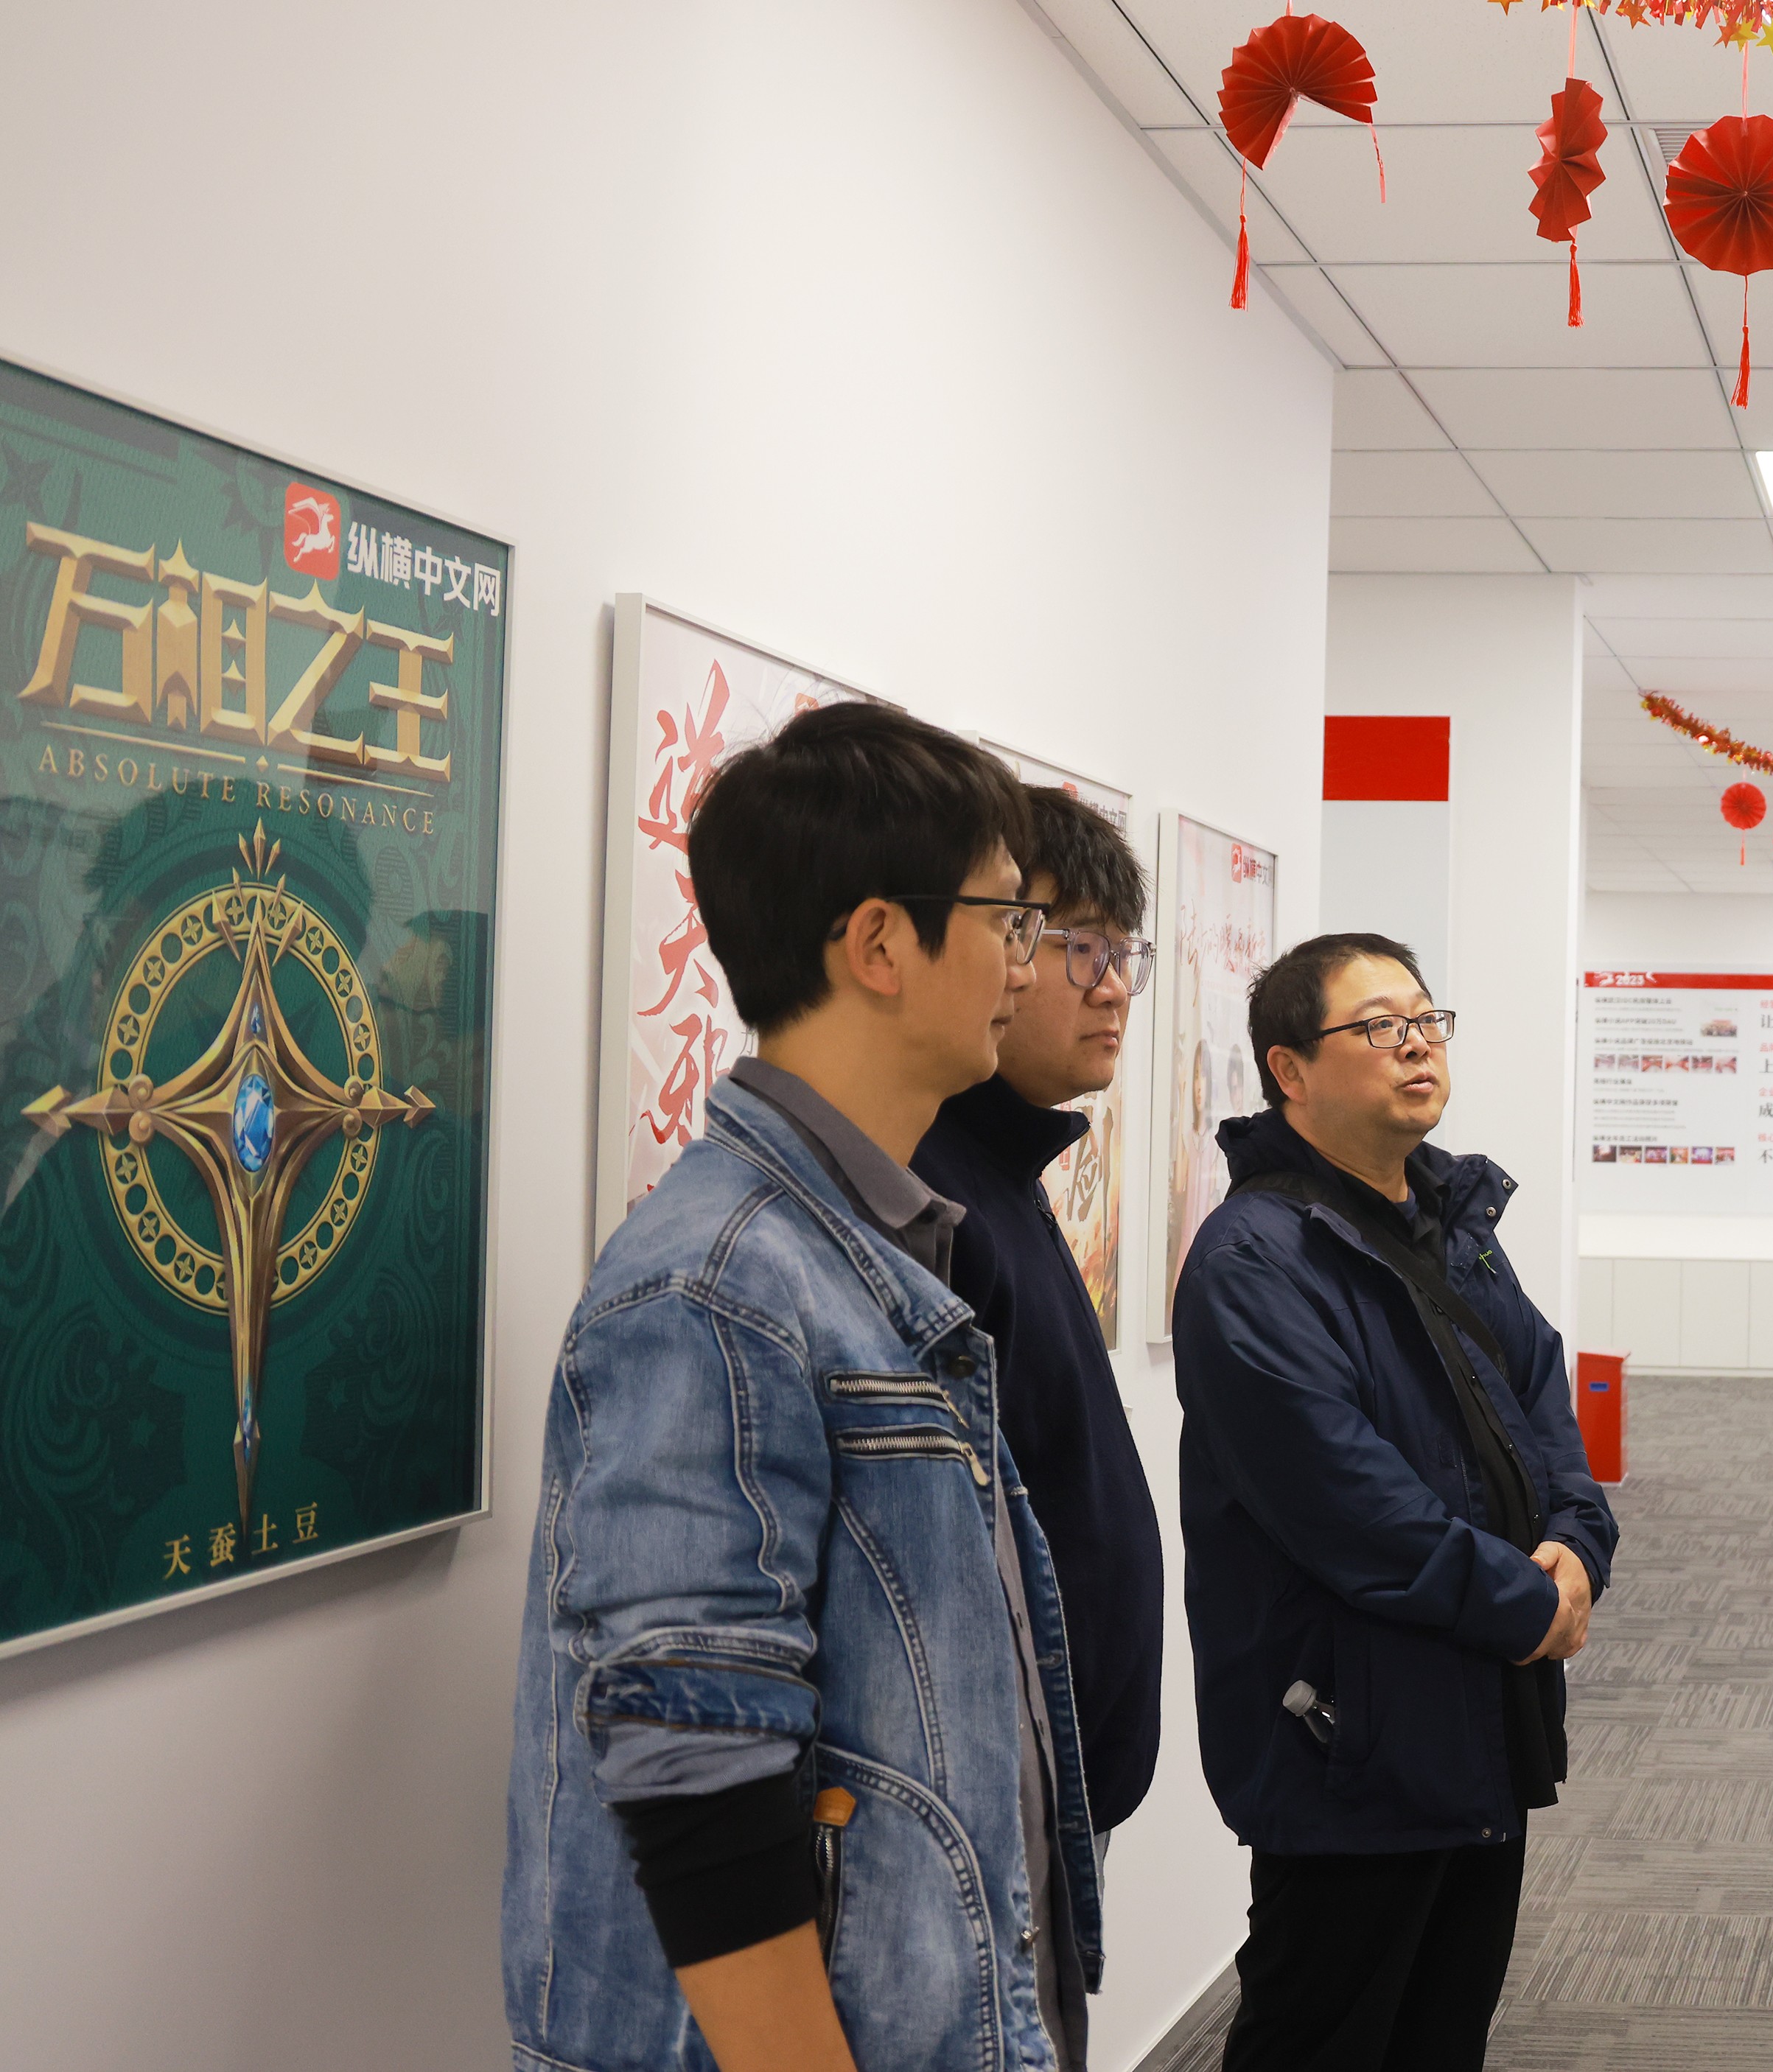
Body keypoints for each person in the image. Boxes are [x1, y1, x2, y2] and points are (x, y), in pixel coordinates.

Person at [504, 702, 1099, 2071]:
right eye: (1010, 918)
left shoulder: (862, 1247)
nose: (1029, 962)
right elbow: (694, 1767)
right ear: (881, 943)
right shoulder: (716, 1286)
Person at [1171, 932, 1619, 2071]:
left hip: (1482, 1722)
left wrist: (1577, 1542)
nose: (1416, 1044)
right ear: (1289, 1070)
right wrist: (1529, 1603)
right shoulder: (1253, 1261)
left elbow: (1540, 1393)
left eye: (1425, 1019)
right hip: (1352, 1744)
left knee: (1440, 2036)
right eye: (1379, 1026)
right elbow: (1347, 1504)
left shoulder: (1450, 1224)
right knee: (1323, 2040)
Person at [911, 784, 1168, 1839]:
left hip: (1056, 1791)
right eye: (1081, 947)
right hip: (991, 1802)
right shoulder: (929, 1195)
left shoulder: (1006, 1173)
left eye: (1125, 955)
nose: (1113, 990)